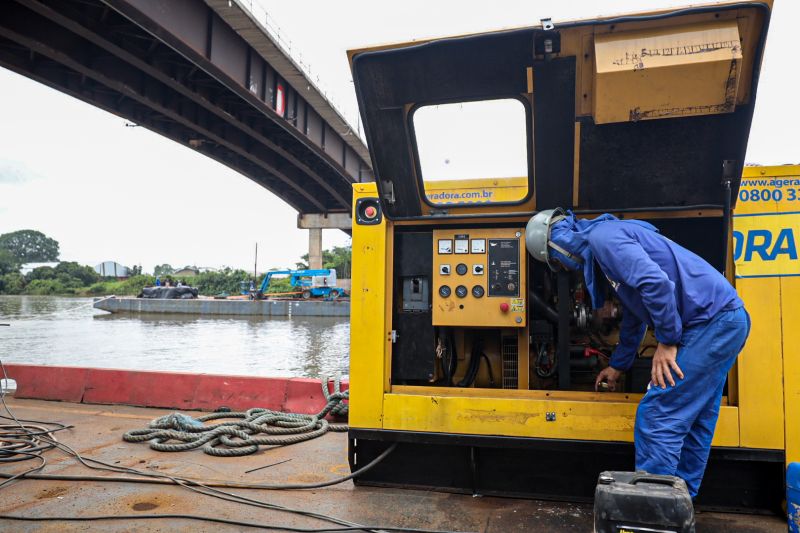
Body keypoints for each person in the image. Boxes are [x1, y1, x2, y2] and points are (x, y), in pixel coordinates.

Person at [525, 208, 750, 499]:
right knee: (695, 422)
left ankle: (653, 512)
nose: (565, 268)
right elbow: (635, 313)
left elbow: (655, 284)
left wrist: (667, 342)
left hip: (710, 323)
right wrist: (618, 366)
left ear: (558, 244)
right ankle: (679, 506)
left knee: (657, 416)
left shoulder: (605, 239)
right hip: (724, 322)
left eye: (556, 262)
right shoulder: (607, 244)